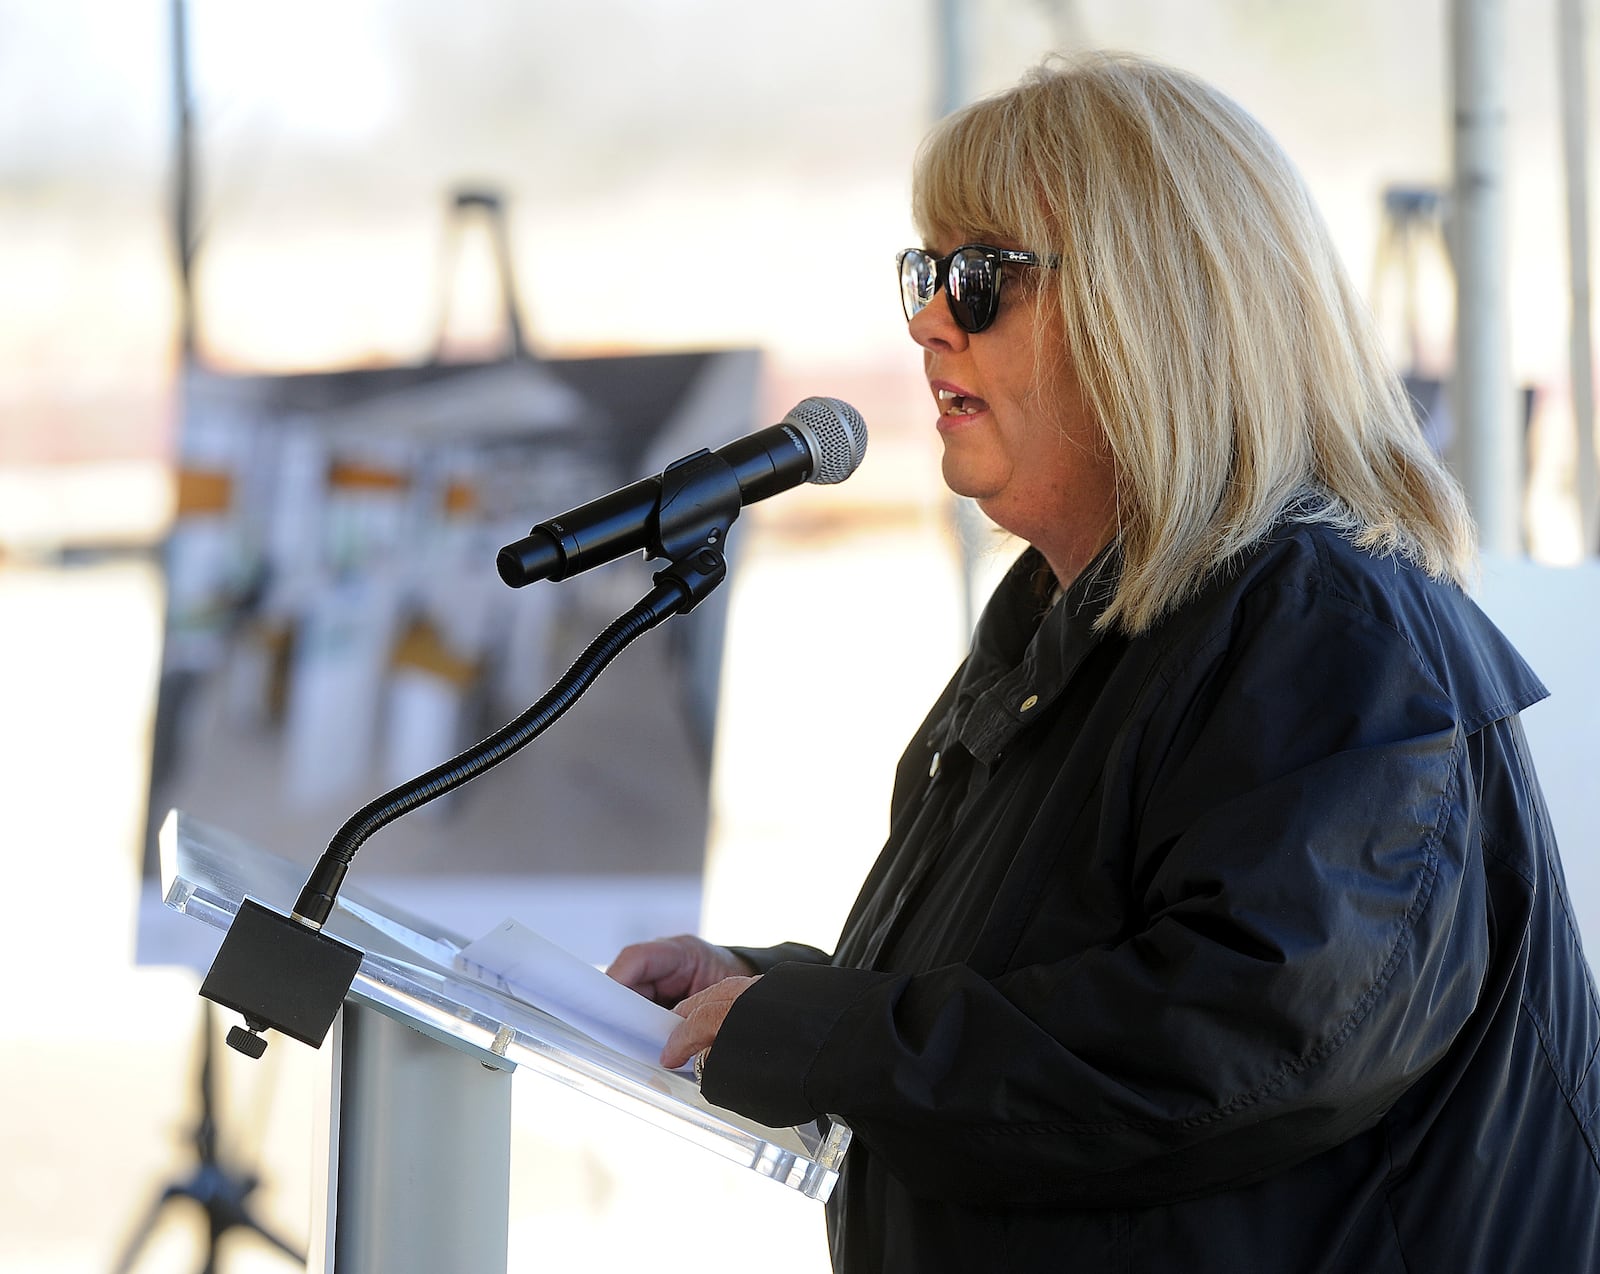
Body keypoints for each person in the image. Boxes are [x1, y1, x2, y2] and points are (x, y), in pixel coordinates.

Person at [607, 51, 1600, 1272]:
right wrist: (771, 997)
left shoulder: (1329, 621)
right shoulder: (1077, 616)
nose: (926, 318)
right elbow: (1058, 983)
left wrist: (840, 1039)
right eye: (926, 272)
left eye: (980, 279)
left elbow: (1249, 1036)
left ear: (1155, 310)